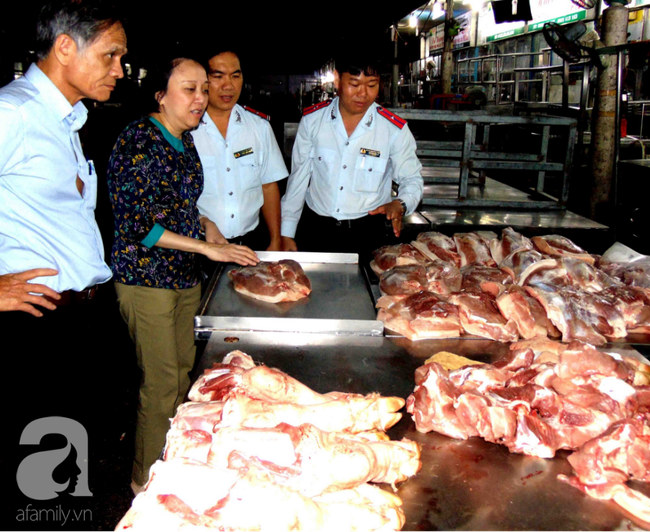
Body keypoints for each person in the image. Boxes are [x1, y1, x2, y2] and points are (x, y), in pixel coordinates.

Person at [0, 0, 128, 523]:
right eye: (112, 55)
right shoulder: (14, 112)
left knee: (71, 478)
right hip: (40, 326)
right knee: (44, 486)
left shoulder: (69, 120)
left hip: (81, 318)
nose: (121, 69)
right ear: (65, 47)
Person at [106, 55, 259, 492]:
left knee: (183, 373)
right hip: (145, 280)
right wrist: (206, 248)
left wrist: (217, 236)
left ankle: (176, 458)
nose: (201, 98)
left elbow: (186, 207)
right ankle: (146, 484)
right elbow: (142, 226)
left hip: (182, 277)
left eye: (202, 89)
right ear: (160, 94)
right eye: (189, 89)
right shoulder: (138, 140)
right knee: (160, 382)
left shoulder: (183, 139)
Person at [280, 50, 423, 258]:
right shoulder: (313, 121)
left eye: (372, 85)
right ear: (337, 79)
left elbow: (412, 178)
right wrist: (286, 232)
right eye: (354, 85)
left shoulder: (393, 129)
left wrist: (400, 203)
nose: (363, 94)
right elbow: (298, 179)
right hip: (317, 229)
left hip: (367, 233)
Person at [191, 47, 288, 253]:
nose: (228, 86)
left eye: (235, 76)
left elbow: (269, 186)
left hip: (250, 243)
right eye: (218, 76)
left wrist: (275, 240)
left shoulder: (259, 127)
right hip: (199, 246)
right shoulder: (186, 130)